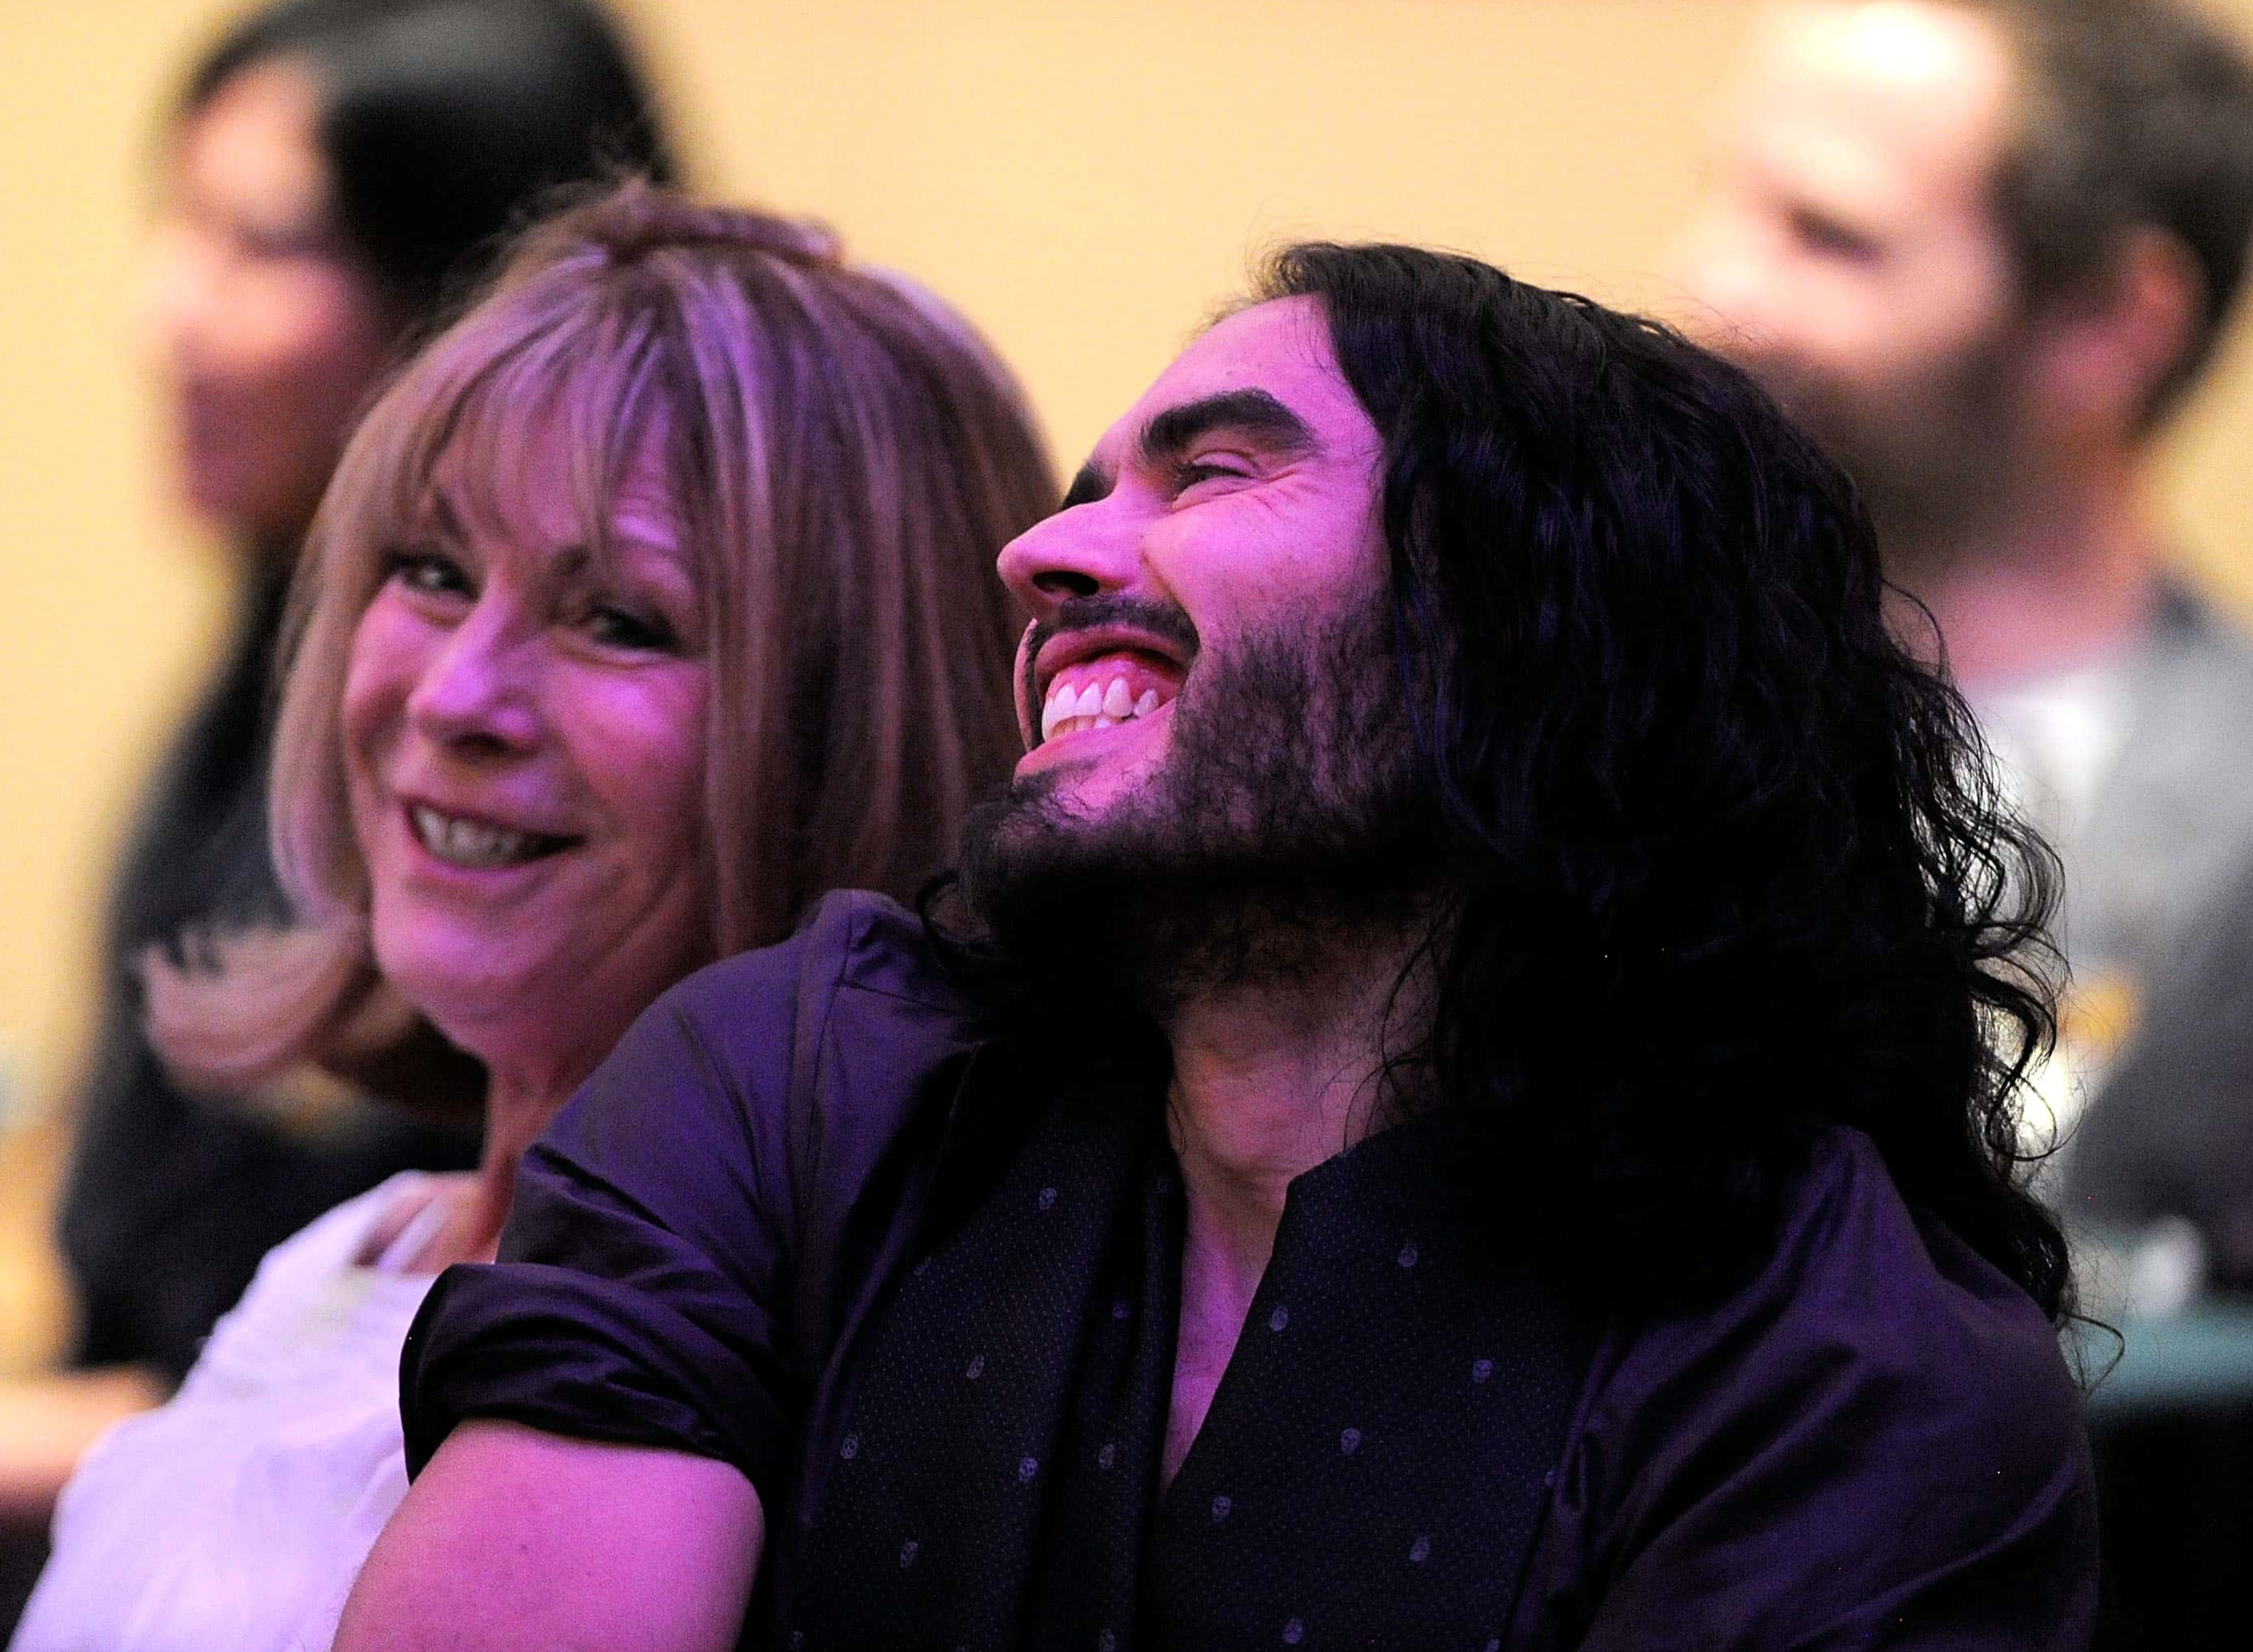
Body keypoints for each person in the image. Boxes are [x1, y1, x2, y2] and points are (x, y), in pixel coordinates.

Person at [341, 245, 2096, 1650]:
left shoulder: (1837, 1371)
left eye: (1214, 471)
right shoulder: (800, 1086)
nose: (1038, 551)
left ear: (1519, 631)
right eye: (1085, 489)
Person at [11, 182, 1052, 1652]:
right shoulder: (352, 1253)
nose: (452, 696)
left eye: (616, 618)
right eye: (432, 573)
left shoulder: (780, 1396)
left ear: (845, 737)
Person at [15, 0, 681, 1544]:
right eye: (175, 222)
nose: (162, 309)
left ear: (463, 306)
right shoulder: (249, 692)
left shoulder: (513, 797)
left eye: (257, 242)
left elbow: (380, 1388)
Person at [1668, 0, 2253, 1232]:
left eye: (1829, 236)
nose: (1706, 283)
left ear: (2111, 323)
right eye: (1725, 196)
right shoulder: (1579, 732)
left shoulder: (2235, 830)